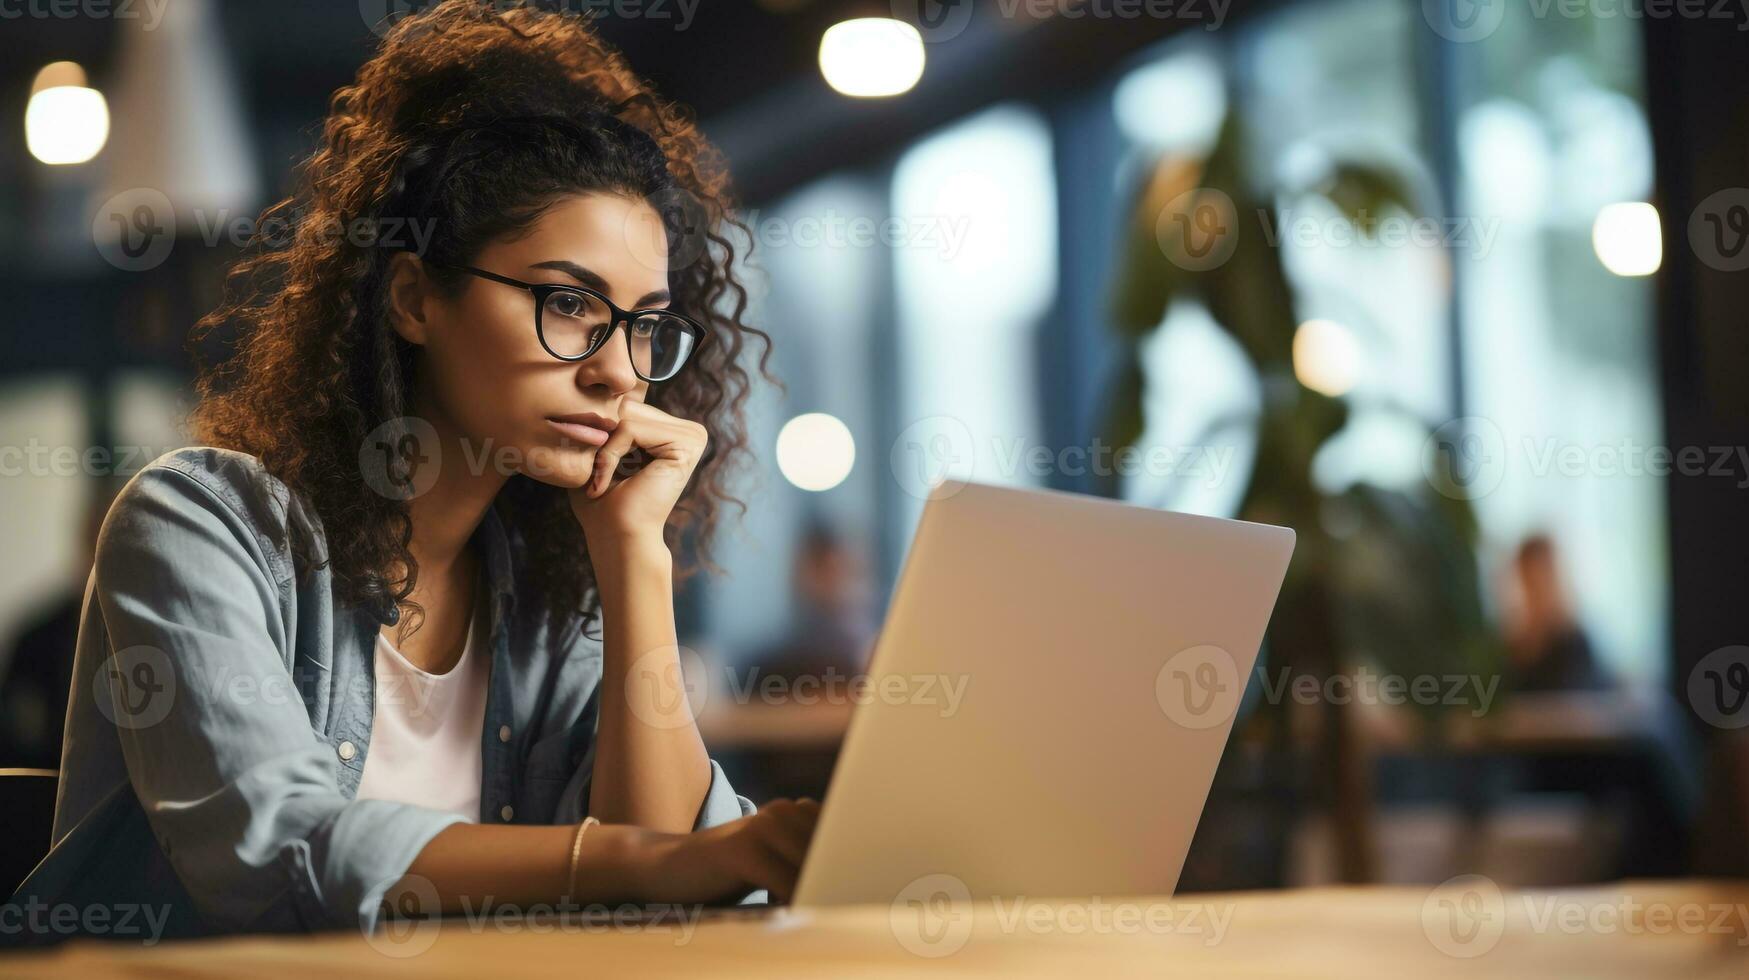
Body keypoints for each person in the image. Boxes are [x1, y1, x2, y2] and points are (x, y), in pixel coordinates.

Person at [4, 1, 816, 943]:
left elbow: (662, 900)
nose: (618, 370)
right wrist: (651, 862)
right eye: (568, 303)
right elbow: (270, 855)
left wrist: (633, 553)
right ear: (413, 298)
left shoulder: (547, 598)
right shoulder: (198, 521)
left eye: (643, 325)